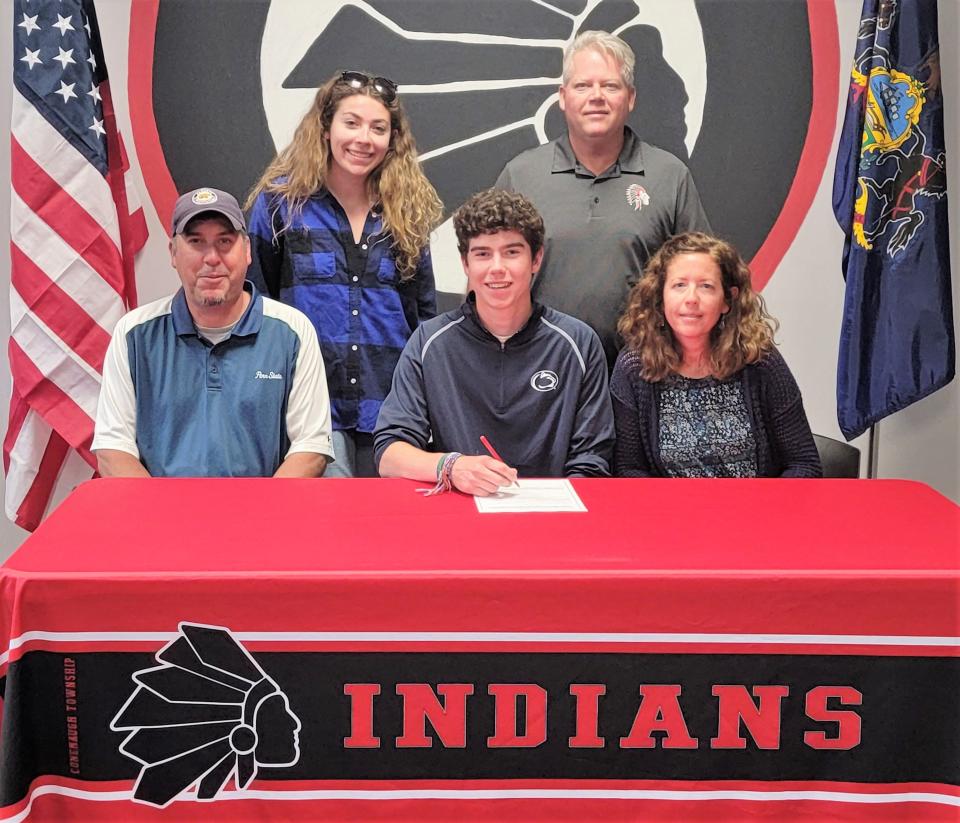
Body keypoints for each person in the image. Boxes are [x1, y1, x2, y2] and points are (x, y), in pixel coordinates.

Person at [245, 71, 442, 478]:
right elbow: (257, 304)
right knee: (325, 533)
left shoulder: (406, 211)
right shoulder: (282, 204)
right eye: (351, 123)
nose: (363, 139)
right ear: (325, 126)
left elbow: (423, 317)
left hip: (389, 410)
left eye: (378, 128)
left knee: (386, 533)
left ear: (393, 139)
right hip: (309, 412)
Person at [374, 188, 614, 495]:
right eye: (483, 254)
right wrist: (451, 467)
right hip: (461, 513)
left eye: (512, 252)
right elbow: (389, 453)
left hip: (553, 518)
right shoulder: (429, 343)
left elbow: (593, 461)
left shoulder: (578, 343)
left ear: (536, 258)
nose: (497, 268)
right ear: (465, 263)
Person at [495, 31, 711, 368]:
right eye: (583, 86)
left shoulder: (670, 176)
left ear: (631, 97)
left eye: (610, 86)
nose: (596, 97)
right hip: (540, 374)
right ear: (563, 97)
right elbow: (487, 281)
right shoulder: (520, 176)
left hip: (646, 375)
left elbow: (703, 279)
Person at [93, 187, 333, 478]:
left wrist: (259, 521)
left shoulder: (292, 332)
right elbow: (113, 450)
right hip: (161, 518)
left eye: (224, 241)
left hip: (263, 517)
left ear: (246, 251)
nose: (211, 258)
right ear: (173, 253)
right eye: (196, 242)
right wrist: (161, 520)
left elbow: (310, 449)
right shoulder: (134, 334)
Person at [610, 232, 821, 478]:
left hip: (754, 513)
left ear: (727, 300)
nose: (691, 299)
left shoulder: (759, 360)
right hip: (670, 514)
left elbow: (804, 464)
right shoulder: (635, 367)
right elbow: (628, 471)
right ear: (660, 297)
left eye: (706, 286)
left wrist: (765, 513)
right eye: (679, 285)